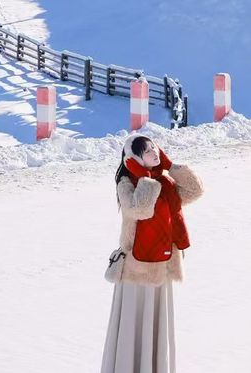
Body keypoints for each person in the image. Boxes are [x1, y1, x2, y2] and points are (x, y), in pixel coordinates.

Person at [101, 134, 203, 373]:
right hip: (137, 269)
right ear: (134, 158)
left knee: (156, 324)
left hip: (163, 264)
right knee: (135, 323)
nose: (154, 153)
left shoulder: (165, 183)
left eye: (155, 148)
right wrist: (144, 177)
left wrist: (170, 166)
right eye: (146, 151)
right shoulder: (127, 184)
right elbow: (141, 209)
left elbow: (195, 190)